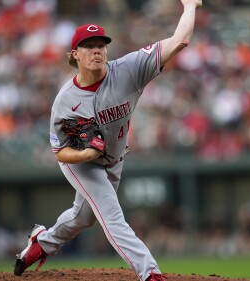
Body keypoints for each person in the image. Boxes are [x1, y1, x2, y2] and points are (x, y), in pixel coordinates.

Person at [13, 1, 202, 280]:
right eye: (89, 46)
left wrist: (190, 6)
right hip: (80, 162)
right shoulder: (65, 102)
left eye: (101, 44)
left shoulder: (129, 69)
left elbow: (180, 40)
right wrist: (85, 155)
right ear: (75, 54)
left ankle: (41, 243)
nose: (97, 50)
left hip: (114, 158)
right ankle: (150, 273)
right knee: (112, 217)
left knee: (83, 218)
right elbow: (60, 152)